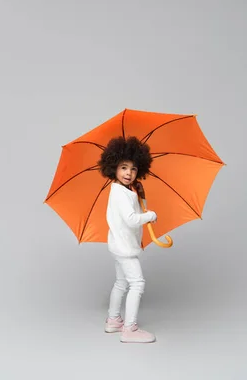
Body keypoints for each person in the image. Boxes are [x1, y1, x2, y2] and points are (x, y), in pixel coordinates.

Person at [97, 136, 157, 343]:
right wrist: (150, 216)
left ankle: (113, 320)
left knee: (121, 282)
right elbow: (132, 220)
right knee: (137, 283)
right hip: (124, 248)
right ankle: (130, 329)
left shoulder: (125, 191)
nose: (128, 173)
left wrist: (141, 195)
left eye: (133, 169)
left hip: (119, 245)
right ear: (113, 168)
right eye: (123, 167)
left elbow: (137, 210)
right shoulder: (120, 193)